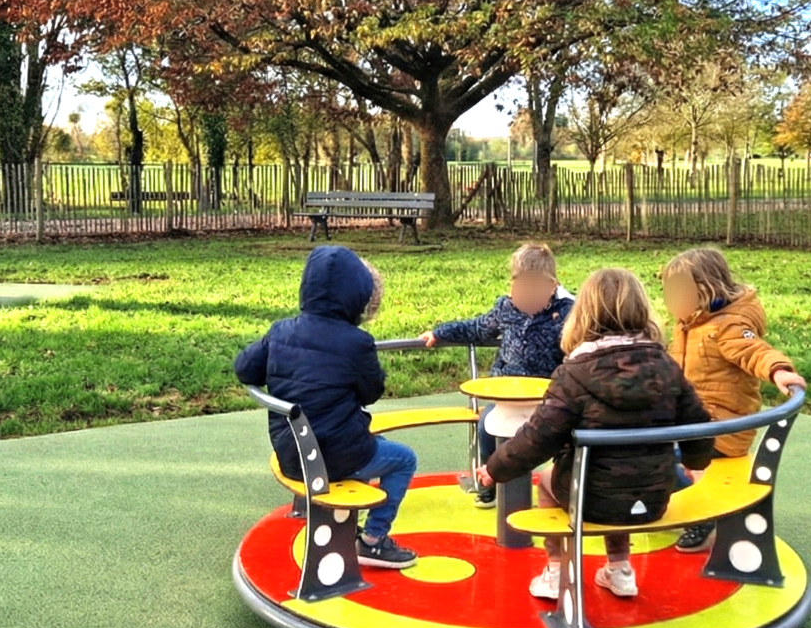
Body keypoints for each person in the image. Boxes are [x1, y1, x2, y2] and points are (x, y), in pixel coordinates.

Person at [477, 268, 713, 600]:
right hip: (654, 497)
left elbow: (539, 437)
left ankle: (556, 572)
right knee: (614, 476)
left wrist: (494, 469)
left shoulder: (574, 373)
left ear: (584, 314)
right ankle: (620, 569)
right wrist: (694, 461)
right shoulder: (665, 365)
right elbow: (697, 422)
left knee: (548, 482)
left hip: (591, 499)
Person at [235, 246, 418, 569]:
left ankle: (348, 524)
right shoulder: (356, 343)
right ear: (358, 295)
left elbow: (245, 369)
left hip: (292, 452)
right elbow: (371, 392)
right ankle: (373, 541)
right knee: (403, 458)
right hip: (334, 458)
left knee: (377, 444)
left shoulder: (281, 331)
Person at [660, 248, 805, 554]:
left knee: (654, 456)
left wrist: (779, 370)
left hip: (721, 427)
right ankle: (689, 501)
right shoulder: (689, 325)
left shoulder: (727, 326)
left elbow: (754, 351)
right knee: (644, 449)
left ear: (705, 291)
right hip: (695, 421)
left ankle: (702, 513)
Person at [420, 242, 573, 509]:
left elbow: (579, 344)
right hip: (505, 392)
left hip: (546, 395)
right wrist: (441, 332)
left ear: (552, 286)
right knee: (487, 427)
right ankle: (489, 481)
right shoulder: (506, 308)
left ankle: (564, 483)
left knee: (562, 433)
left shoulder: (567, 313)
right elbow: (478, 328)